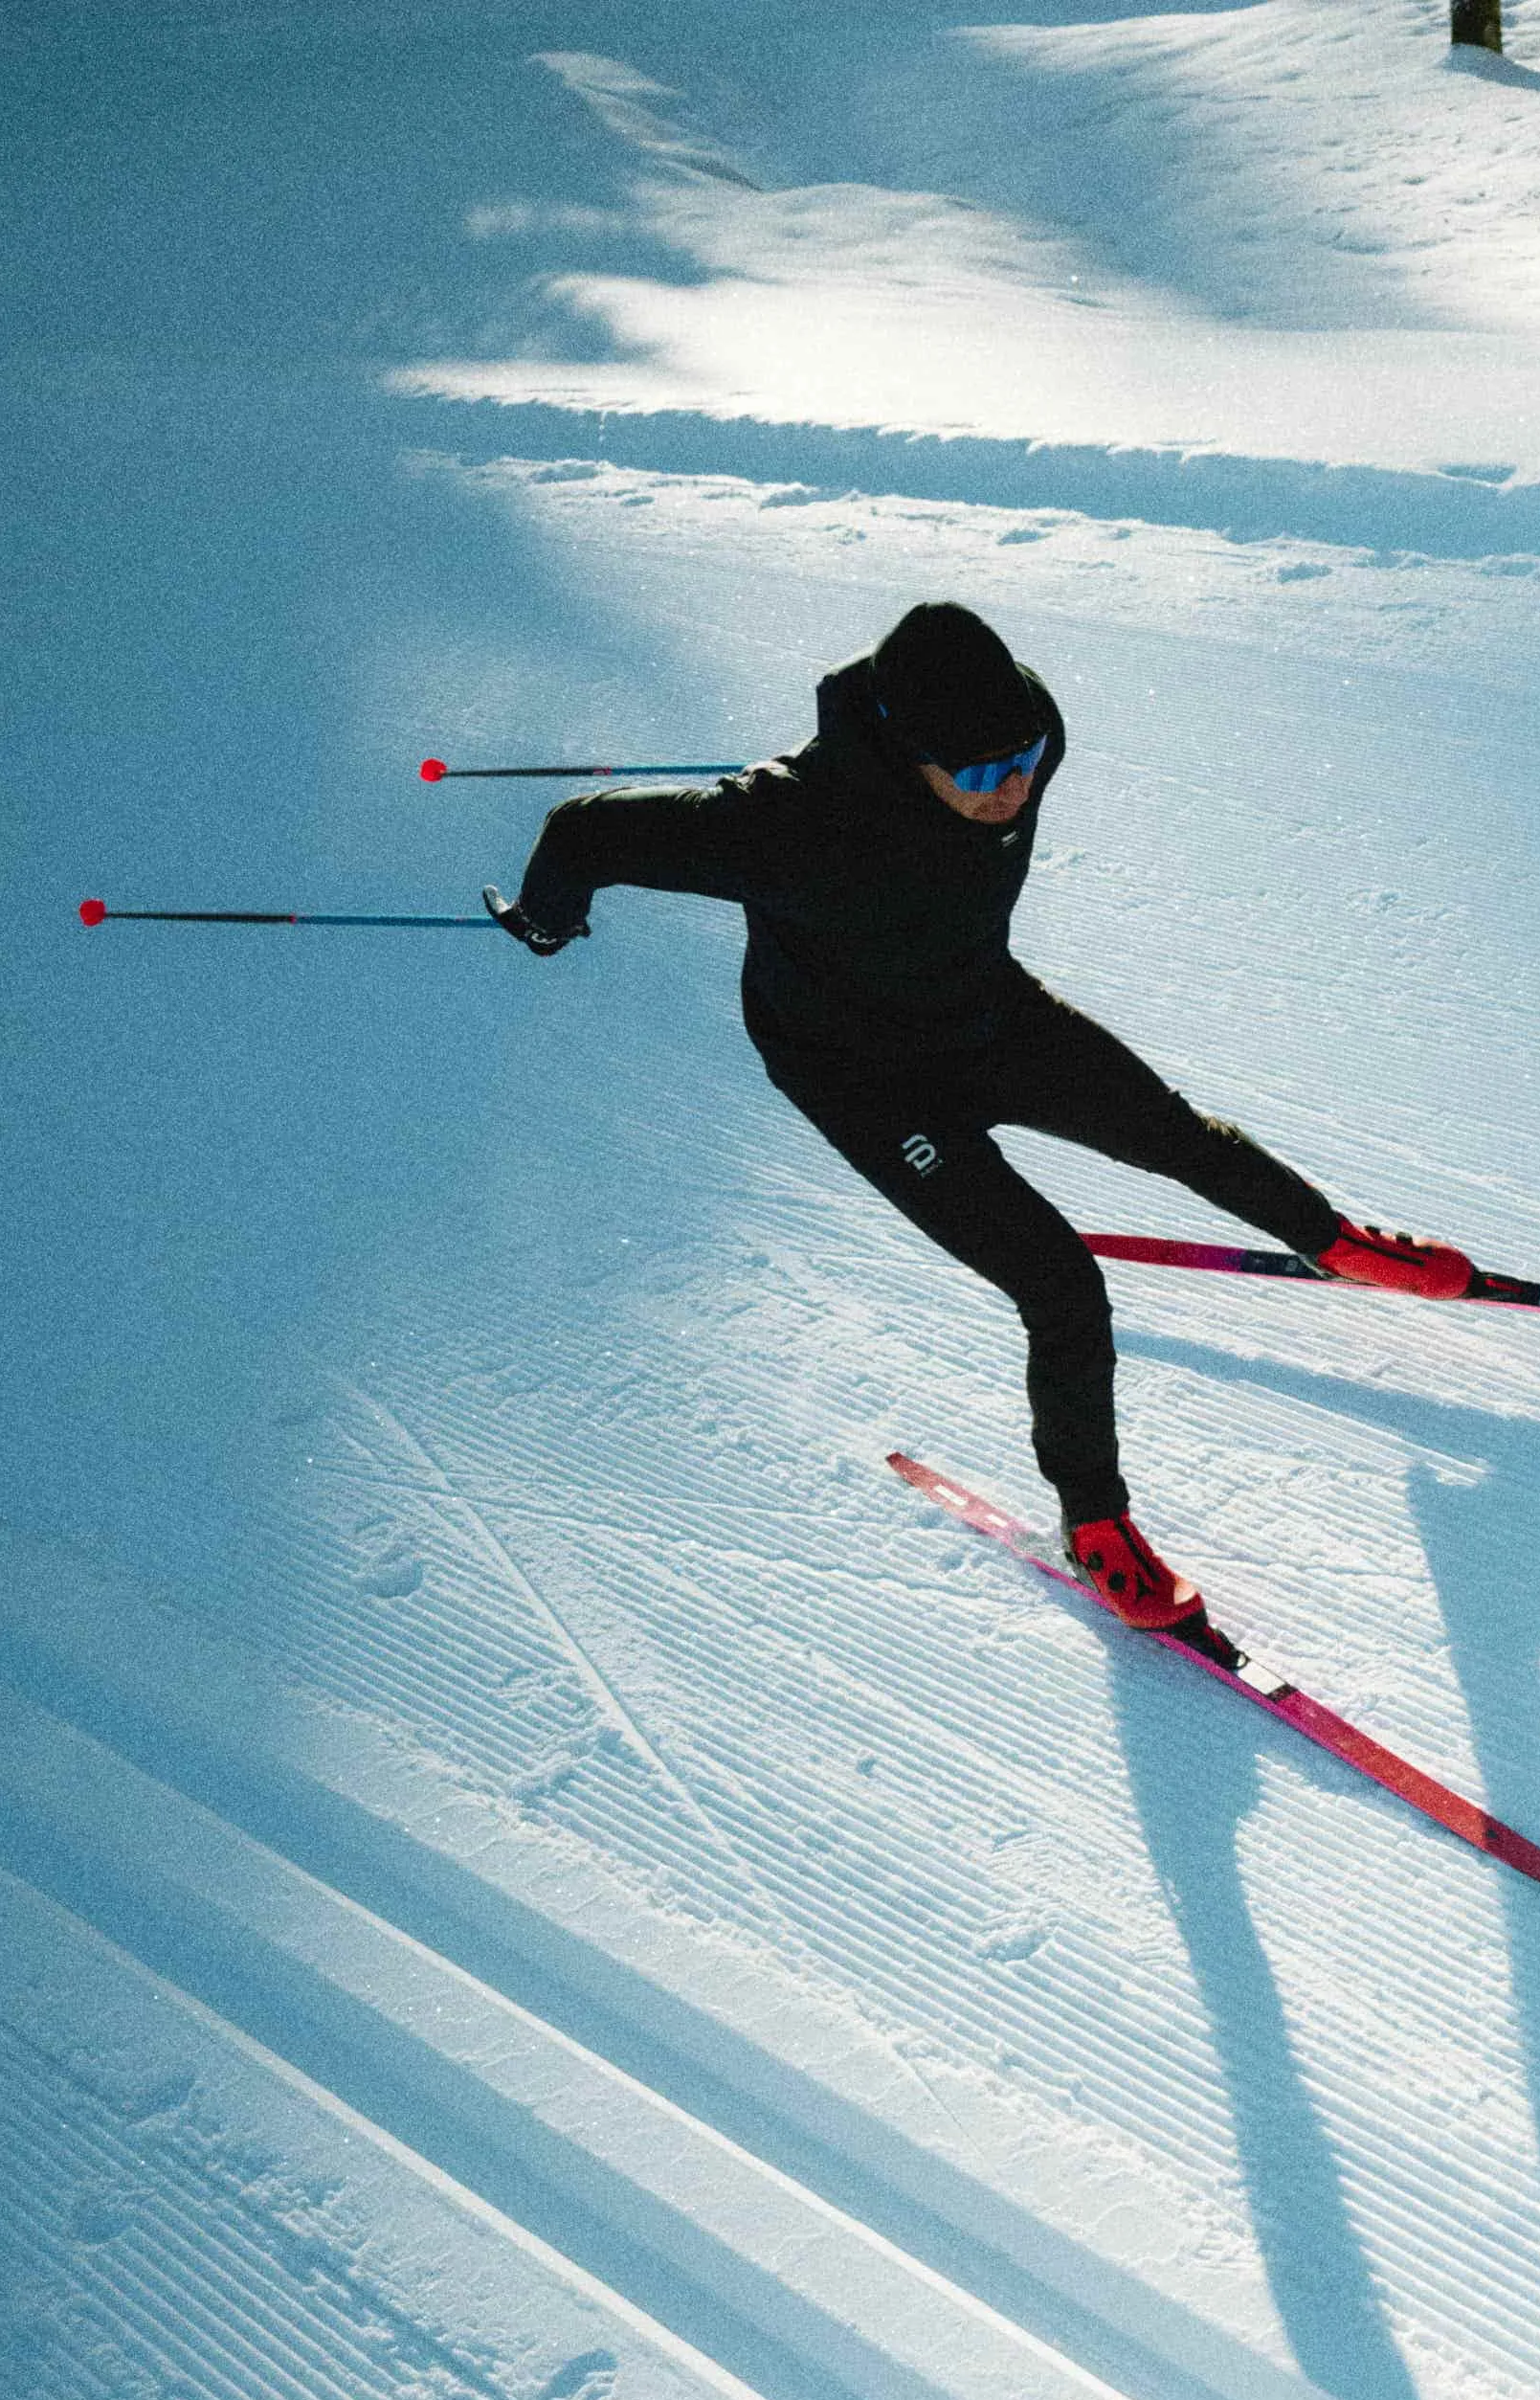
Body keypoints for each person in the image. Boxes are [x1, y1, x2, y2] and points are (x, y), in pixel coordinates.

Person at [488, 599, 1471, 1634]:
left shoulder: (1026, 732)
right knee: (1060, 1283)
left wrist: (1003, 764)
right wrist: (551, 921)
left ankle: (1335, 1243)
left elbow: (994, 745)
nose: (1011, 791)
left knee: (1177, 1134)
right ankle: (1098, 1529)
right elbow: (581, 828)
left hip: (988, 1013)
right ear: (910, 757)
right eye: (980, 775)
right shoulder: (781, 828)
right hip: (865, 1081)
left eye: (1024, 763)